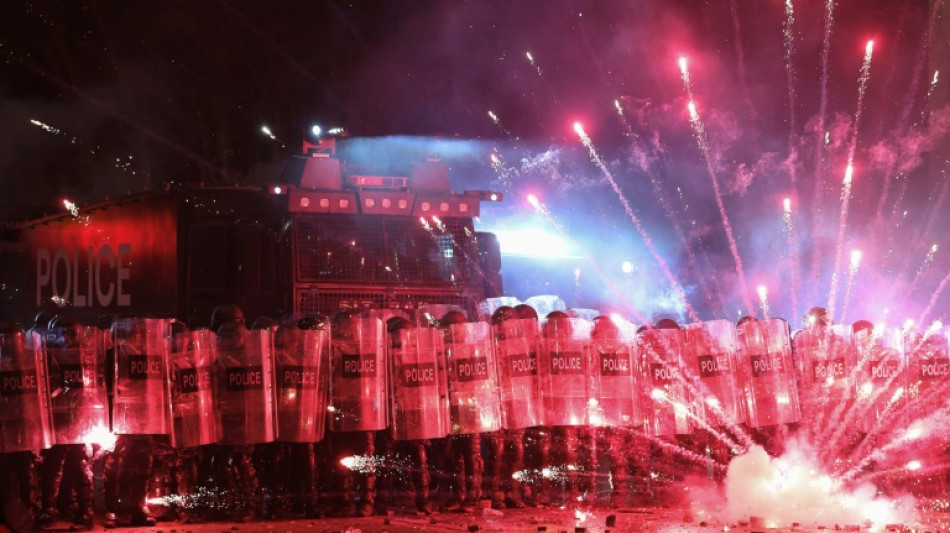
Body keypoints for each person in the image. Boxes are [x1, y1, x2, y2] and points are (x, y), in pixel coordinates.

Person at [39, 315, 103, 530]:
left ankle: (85, 513)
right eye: (62, 334)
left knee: (78, 465)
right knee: (54, 466)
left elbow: (91, 387)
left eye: (70, 334)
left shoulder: (85, 356)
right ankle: (51, 509)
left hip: (79, 418)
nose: (66, 338)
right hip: (60, 417)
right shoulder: (51, 356)